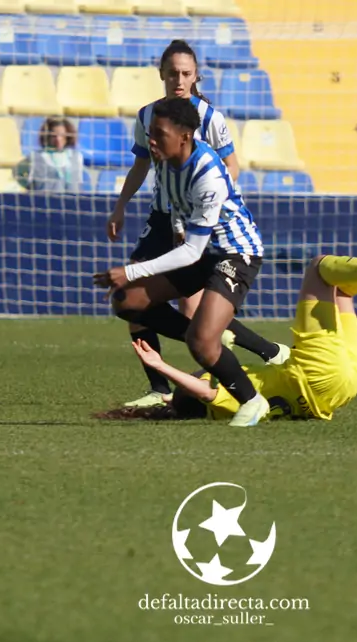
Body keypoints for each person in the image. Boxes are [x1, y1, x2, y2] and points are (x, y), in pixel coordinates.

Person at [94, 194, 357, 423]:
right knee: (319, 268)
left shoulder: (241, 394)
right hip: (315, 374)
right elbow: (206, 393)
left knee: (342, 290)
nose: (196, 374)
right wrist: (163, 368)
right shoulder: (226, 403)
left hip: (345, 386)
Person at [93, 97, 284, 427]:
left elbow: (192, 252)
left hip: (235, 254)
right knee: (128, 302)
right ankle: (209, 338)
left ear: (185, 136)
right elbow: (181, 213)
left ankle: (252, 401)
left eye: (159, 133)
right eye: (150, 132)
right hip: (202, 250)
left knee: (200, 342)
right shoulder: (165, 162)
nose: (151, 139)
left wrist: (130, 270)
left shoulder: (208, 174)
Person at [106, 40, 255, 409]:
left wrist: (211, 209)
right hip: (163, 217)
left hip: (199, 220)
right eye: (172, 72)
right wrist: (120, 206)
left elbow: (231, 166)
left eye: (186, 73)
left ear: (196, 75)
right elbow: (141, 165)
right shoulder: (147, 117)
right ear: (161, 74)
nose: (179, 79)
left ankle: (246, 358)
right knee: (133, 298)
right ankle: (159, 387)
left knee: (193, 309)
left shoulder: (210, 117)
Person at [14, 117, 85, 192]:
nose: (58, 140)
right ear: (47, 137)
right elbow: (18, 175)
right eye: (54, 136)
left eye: (62, 135)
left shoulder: (77, 157)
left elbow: (78, 186)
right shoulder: (35, 157)